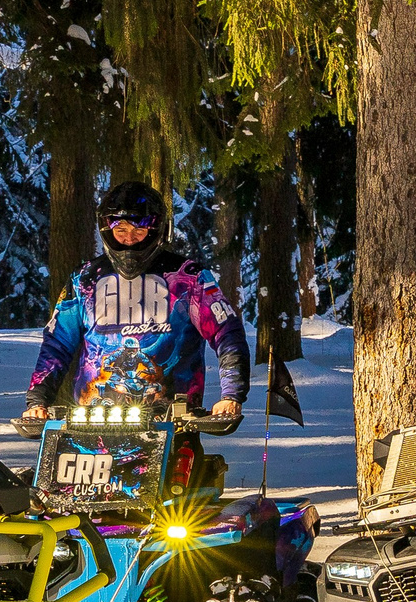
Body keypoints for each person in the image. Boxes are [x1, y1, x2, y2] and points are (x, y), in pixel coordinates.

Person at [24, 179, 250, 424]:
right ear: (108, 231)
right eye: (121, 231)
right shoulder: (85, 279)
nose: (129, 239)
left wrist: (231, 394)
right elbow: (57, 342)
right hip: (92, 420)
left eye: (138, 231)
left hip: (174, 421)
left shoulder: (189, 277)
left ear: (155, 232)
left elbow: (226, 332)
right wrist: (38, 400)